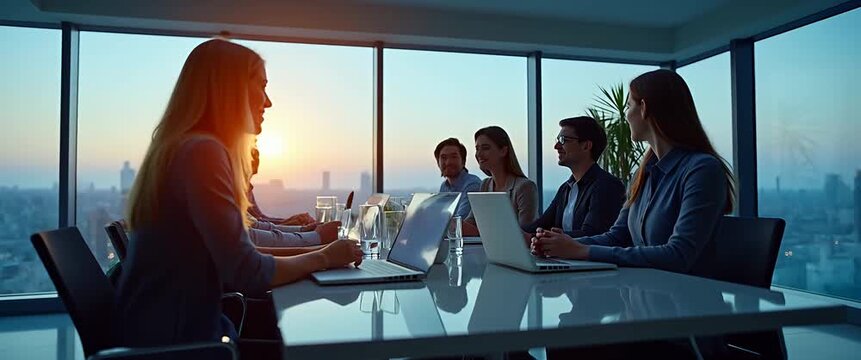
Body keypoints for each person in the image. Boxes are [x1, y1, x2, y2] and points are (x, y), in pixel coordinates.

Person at [116, 39, 363, 352]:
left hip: (164, 333)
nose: (268, 101)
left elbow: (243, 256)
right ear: (228, 89)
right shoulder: (202, 153)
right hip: (184, 347)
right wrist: (325, 256)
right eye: (261, 85)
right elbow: (248, 272)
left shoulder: (181, 147)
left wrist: (324, 250)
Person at [532, 69, 735, 275]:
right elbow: (618, 236)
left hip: (690, 301)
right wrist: (560, 244)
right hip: (647, 294)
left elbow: (679, 255)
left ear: (644, 108)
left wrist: (582, 250)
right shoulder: (643, 174)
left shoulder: (701, 170)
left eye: (629, 106)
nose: (626, 115)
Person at [522, 116, 625, 238]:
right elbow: (540, 225)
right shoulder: (566, 189)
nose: (556, 146)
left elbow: (593, 235)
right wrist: (508, 231)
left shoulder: (607, 185)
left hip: (589, 258)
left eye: (563, 140)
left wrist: (541, 238)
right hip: (563, 257)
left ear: (586, 146)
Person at [464, 126, 539, 235]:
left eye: (485, 148)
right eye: (477, 149)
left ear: (503, 151)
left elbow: (524, 234)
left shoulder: (525, 187)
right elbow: (471, 221)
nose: (478, 154)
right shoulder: (485, 184)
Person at [247, 146, 316, 226]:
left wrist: (292, 220)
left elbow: (259, 217)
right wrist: (289, 223)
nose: (250, 185)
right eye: (248, 176)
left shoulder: (247, 188)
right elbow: (254, 226)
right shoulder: (236, 191)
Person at [435, 138, 482, 219]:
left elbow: (460, 220)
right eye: (443, 157)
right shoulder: (444, 187)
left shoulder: (472, 184)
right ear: (438, 163)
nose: (448, 162)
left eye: (454, 157)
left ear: (463, 161)